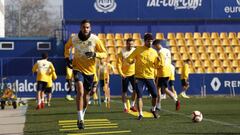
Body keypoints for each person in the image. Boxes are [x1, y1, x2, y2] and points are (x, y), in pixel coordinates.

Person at [64, 19, 107, 129]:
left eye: (87, 27)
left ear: (90, 28)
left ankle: (82, 115)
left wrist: (94, 54)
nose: (85, 29)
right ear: (80, 27)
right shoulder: (74, 38)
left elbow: (105, 53)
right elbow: (67, 47)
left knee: (87, 96)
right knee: (80, 91)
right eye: (84, 27)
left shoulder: (95, 39)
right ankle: (79, 119)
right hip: (77, 68)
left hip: (90, 71)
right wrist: (67, 58)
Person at [126, 33, 161, 120]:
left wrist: (159, 61)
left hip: (150, 77)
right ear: (144, 41)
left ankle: (153, 109)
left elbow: (157, 65)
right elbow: (129, 59)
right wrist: (132, 61)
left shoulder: (154, 52)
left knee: (155, 95)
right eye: (148, 41)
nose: (150, 43)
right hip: (139, 77)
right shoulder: (138, 49)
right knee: (139, 95)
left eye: (151, 41)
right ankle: (140, 114)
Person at [152, 40, 180, 111]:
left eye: (154, 46)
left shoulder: (160, 52)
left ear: (157, 45)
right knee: (165, 89)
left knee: (158, 89)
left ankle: (158, 105)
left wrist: (154, 66)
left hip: (162, 72)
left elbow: (161, 64)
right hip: (168, 71)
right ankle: (175, 100)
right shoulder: (167, 50)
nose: (154, 48)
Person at [117, 38, 137, 113]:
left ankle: (132, 105)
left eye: (132, 44)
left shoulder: (135, 51)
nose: (130, 45)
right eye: (129, 44)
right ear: (126, 44)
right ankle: (125, 107)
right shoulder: (122, 52)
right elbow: (118, 64)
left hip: (134, 73)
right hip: (125, 74)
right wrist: (121, 73)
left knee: (136, 90)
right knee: (124, 91)